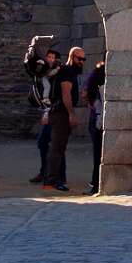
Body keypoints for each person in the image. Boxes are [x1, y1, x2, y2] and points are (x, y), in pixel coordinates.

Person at [42, 45, 87, 193]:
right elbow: (65, 94)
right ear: (72, 57)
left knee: (59, 148)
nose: (82, 62)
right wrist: (71, 114)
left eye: (84, 59)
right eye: (80, 59)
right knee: (57, 148)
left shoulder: (65, 71)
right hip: (61, 113)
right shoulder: (67, 71)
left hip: (58, 112)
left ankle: (58, 179)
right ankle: (52, 180)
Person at [22, 37, 60, 185]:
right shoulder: (42, 70)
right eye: (48, 57)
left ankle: (51, 175)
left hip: (53, 112)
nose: (50, 59)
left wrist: (47, 112)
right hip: (47, 111)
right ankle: (46, 173)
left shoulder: (57, 72)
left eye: (53, 57)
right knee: (44, 143)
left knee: (47, 143)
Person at [84, 53, 107, 192]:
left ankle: (95, 183)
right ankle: (96, 183)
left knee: (97, 153)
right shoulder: (103, 76)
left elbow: (86, 94)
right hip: (101, 118)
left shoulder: (96, 74)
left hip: (96, 118)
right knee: (100, 153)